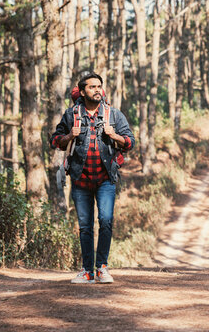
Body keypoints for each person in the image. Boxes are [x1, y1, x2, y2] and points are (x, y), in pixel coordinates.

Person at [51, 72, 135, 284]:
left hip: (105, 178)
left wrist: (114, 135)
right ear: (82, 91)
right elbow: (54, 141)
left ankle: (102, 268)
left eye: (99, 86)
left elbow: (130, 142)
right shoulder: (71, 115)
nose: (97, 90)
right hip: (80, 179)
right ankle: (87, 271)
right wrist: (70, 135)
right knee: (85, 226)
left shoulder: (113, 115)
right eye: (92, 87)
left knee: (105, 221)